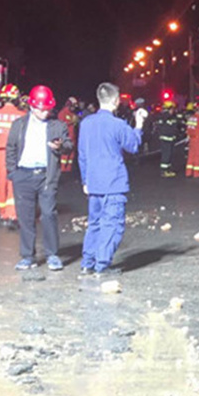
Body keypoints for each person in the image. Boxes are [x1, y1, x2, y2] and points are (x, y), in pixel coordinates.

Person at [78, 82, 146, 278]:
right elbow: (133, 146)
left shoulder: (86, 123)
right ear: (116, 101)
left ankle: (87, 264)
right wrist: (139, 124)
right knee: (112, 224)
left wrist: (85, 180)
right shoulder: (118, 125)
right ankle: (102, 265)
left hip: (93, 183)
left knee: (95, 223)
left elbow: (82, 154)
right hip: (113, 183)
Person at [6, 85, 72, 271]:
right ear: (32, 106)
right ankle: (28, 256)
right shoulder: (19, 125)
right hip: (23, 176)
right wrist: (13, 173)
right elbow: (11, 148)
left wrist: (60, 147)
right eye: (41, 109)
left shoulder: (57, 125)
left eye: (48, 109)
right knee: (25, 217)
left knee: (49, 214)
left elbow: (69, 145)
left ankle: (52, 255)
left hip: (46, 177)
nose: (45, 113)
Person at [0, 84, 26, 228]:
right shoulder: (22, 116)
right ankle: (12, 215)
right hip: (16, 154)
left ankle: (2, 214)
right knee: (14, 184)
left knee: (0, 183)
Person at [155, 100, 182, 177]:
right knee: (166, 155)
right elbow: (171, 128)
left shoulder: (164, 116)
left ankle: (168, 170)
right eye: (172, 109)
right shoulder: (167, 117)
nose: (173, 111)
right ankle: (164, 171)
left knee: (169, 155)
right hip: (167, 139)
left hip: (168, 139)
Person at [57, 96, 79, 173]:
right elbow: (60, 124)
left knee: (71, 154)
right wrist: (71, 122)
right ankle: (63, 169)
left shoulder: (73, 114)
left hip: (73, 137)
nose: (73, 108)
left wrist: (76, 122)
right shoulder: (63, 113)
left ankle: (69, 168)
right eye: (72, 106)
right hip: (66, 137)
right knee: (65, 153)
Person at [185, 102, 199, 178]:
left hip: (191, 139)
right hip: (198, 140)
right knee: (198, 156)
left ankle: (188, 172)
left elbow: (188, 129)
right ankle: (196, 173)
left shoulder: (191, 118)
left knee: (191, 156)